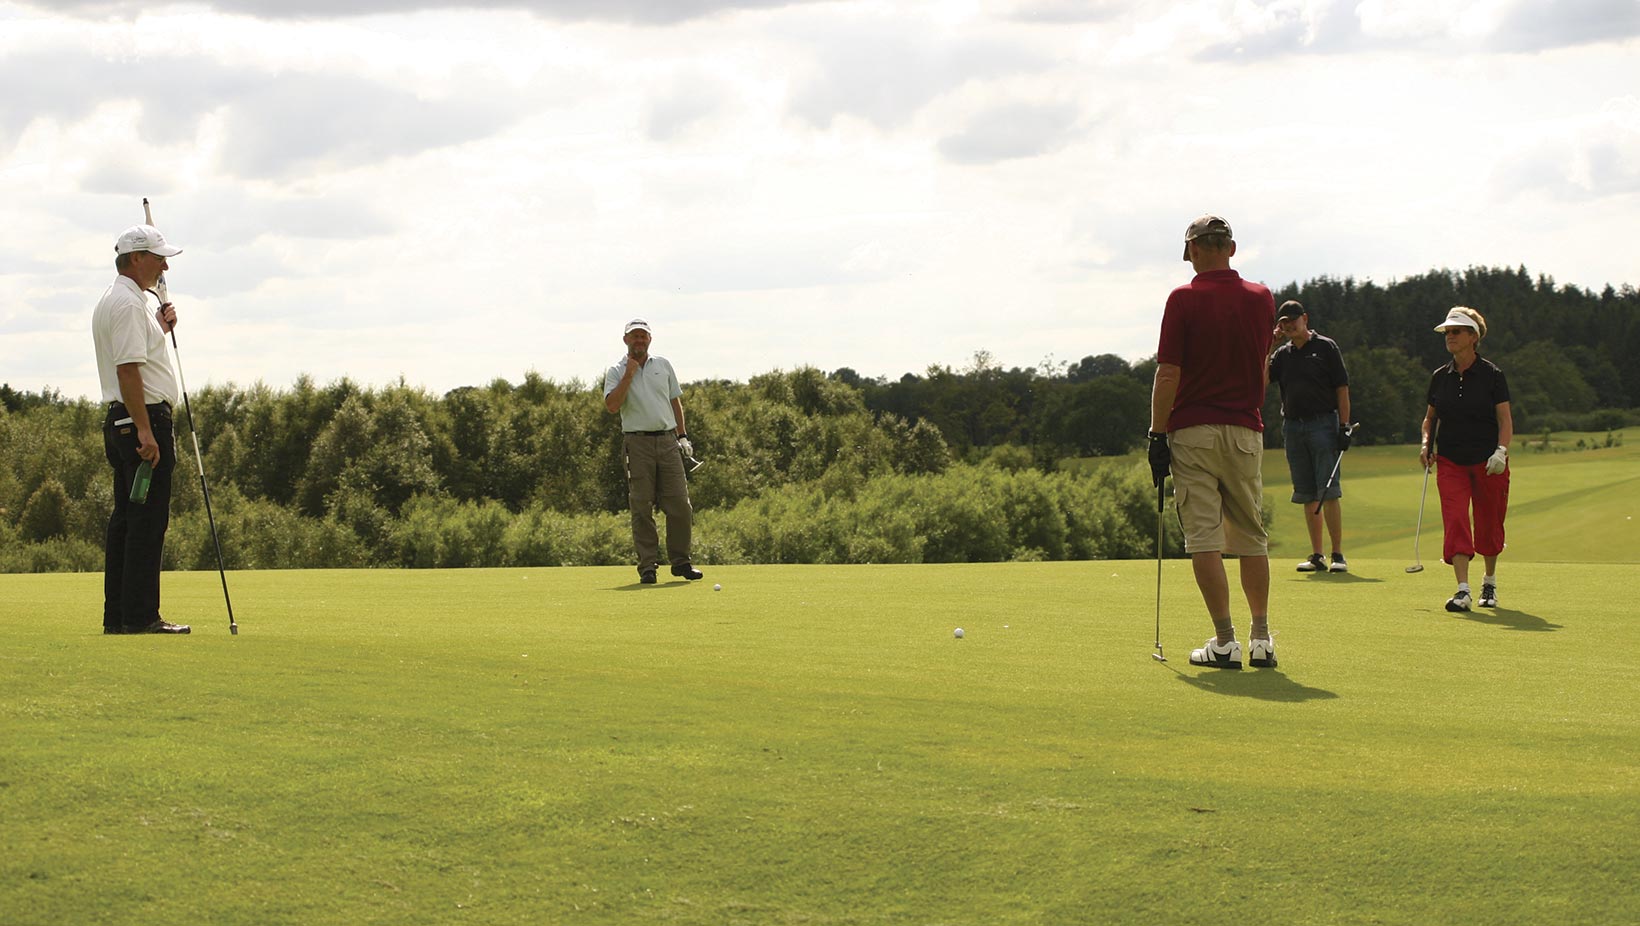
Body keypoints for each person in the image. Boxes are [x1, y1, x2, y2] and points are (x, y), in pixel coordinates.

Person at [1149, 215, 1277, 669]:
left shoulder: (1182, 299)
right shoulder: (1262, 299)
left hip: (1193, 430)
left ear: (1195, 251)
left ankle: (1225, 641)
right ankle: (1261, 637)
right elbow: (1261, 365)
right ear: (1231, 248)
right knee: (1250, 535)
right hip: (1246, 430)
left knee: (1204, 537)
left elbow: (1168, 372)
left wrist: (1156, 434)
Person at [94, 225, 190, 634]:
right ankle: (140, 617)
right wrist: (147, 431)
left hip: (122, 422)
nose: (164, 265)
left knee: (127, 522)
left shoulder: (119, 300)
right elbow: (128, 369)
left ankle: (119, 616)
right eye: (157, 257)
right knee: (147, 523)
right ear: (136, 258)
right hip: (141, 422)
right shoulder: (128, 304)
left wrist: (160, 328)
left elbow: (139, 356)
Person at [1420, 307, 1512, 612]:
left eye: (1456, 331)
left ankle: (1490, 582)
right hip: (1450, 460)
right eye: (1447, 332)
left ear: (1473, 336)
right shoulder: (1440, 377)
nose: (1450, 337)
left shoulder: (1492, 375)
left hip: (1488, 461)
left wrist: (1501, 451)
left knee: (1488, 522)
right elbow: (1430, 419)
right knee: (1456, 519)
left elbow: (1505, 420)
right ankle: (1462, 589)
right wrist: (1425, 444)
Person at [603, 318, 704, 585]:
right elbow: (612, 406)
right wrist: (629, 375)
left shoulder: (663, 365)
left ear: (650, 339)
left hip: (668, 442)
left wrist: (682, 436)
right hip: (637, 444)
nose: (639, 340)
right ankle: (648, 566)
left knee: (680, 506)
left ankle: (681, 562)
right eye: (634, 336)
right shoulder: (616, 370)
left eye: (643, 336)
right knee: (641, 506)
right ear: (625, 340)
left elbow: (674, 401)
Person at [1268, 300, 1353, 573]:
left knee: (1328, 490)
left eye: (1293, 319)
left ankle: (1337, 553)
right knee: (1306, 493)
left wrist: (1344, 426)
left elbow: (1342, 388)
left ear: (1305, 318)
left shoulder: (1325, 347)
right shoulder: (1282, 355)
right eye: (1284, 322)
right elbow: (1261, 381)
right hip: (1293, 427)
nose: (1289, 325)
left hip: (1324, 424)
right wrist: (1269, 347)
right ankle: (1317, 555)